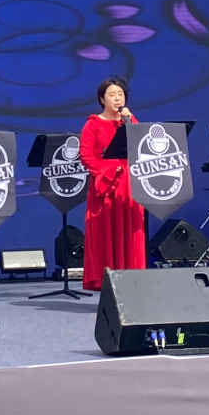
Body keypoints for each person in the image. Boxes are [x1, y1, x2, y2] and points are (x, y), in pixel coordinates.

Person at [78, 77, 145, 292]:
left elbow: (141, 146)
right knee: (105, 234)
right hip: (105, 185)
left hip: (129, 182)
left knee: (131, 232)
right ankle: (108, 285)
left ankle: (132, 284)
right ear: (102, 99)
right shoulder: (93, 123)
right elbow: (86, 155)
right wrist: (103, 174)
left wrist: (129, 122)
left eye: (121, 94)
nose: (117, 99)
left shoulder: (129, 119)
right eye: (112, 95)